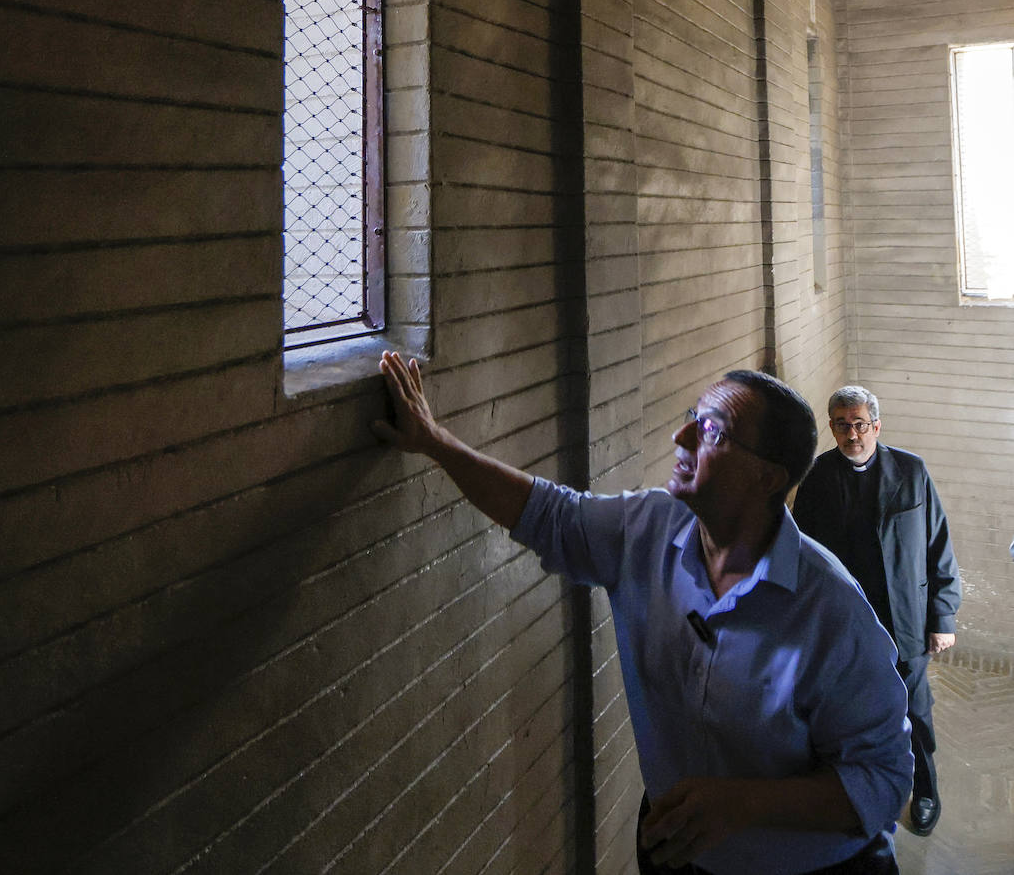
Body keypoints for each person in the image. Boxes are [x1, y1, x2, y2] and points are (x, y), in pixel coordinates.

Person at [375, 352, 912, 874]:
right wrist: (433, 441)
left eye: (711, 433)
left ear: (766, 478)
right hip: (677, 852)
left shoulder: (831, 610)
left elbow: (884, 778)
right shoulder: (650, 528)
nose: (681, 439)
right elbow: (548, 514)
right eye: (689, 421)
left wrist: (745, 804)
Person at [792, 385, 960, 839]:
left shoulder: (911, 471)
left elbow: (938, 547)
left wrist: (942, 618)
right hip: (847, 626)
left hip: (905, 620)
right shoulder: (816, 479)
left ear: (876, 426)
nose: (852, 434)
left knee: (916, 713)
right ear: (832, 429)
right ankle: (858, 795)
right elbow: (801, 560)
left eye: (860, 424)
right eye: (843, 425)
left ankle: (923, 791)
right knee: (848, 713)